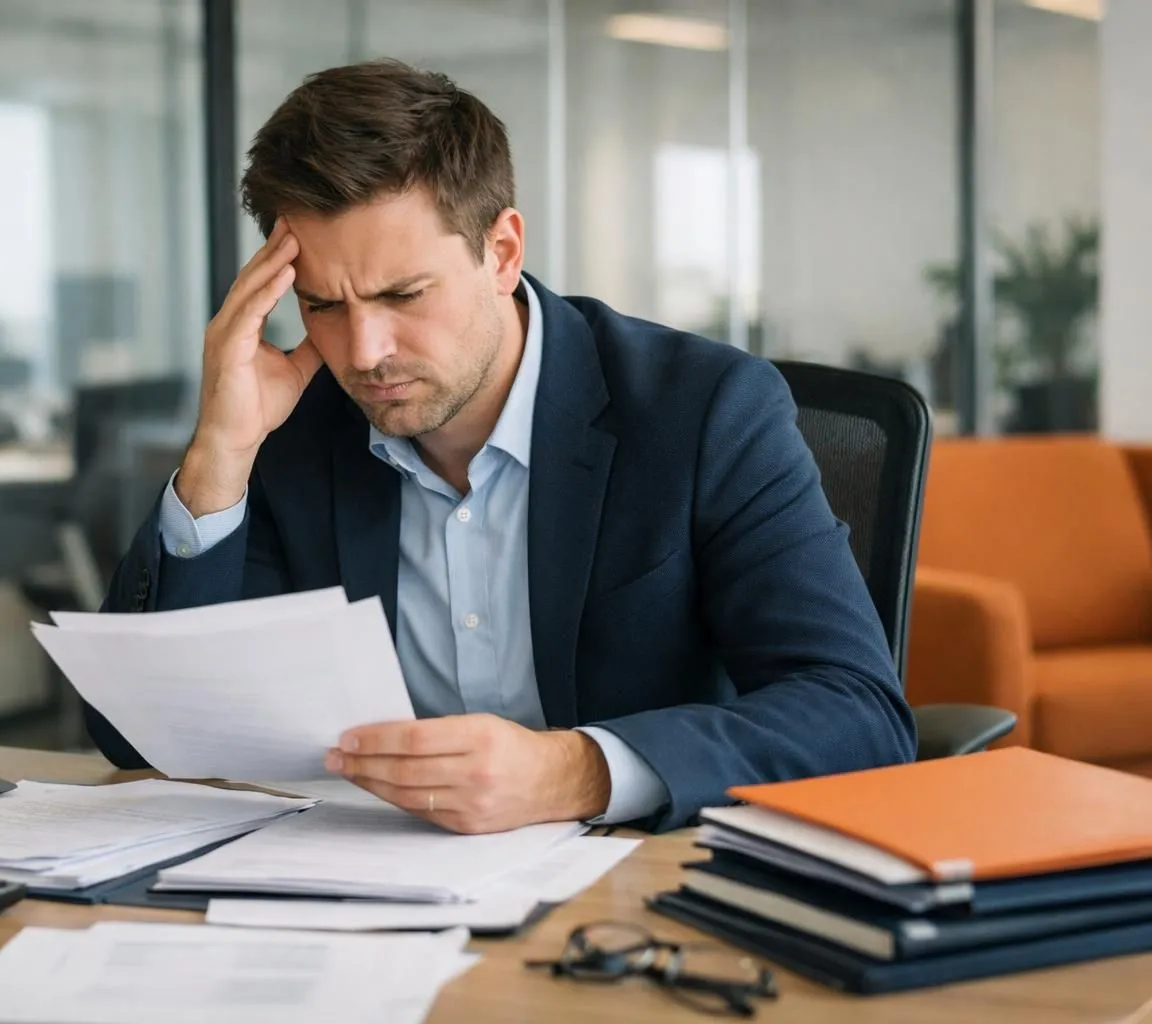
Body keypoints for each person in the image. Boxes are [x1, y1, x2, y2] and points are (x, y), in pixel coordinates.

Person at [85, 59, 916, 834]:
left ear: (502, 253)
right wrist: (219, 457)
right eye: (323, 305)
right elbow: (137, 736)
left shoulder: (701, 413)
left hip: (636, 896)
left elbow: (856, 711)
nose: (365, 350)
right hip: (367, 890)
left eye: (403, 294)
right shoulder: (292, 425)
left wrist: (577, 772)